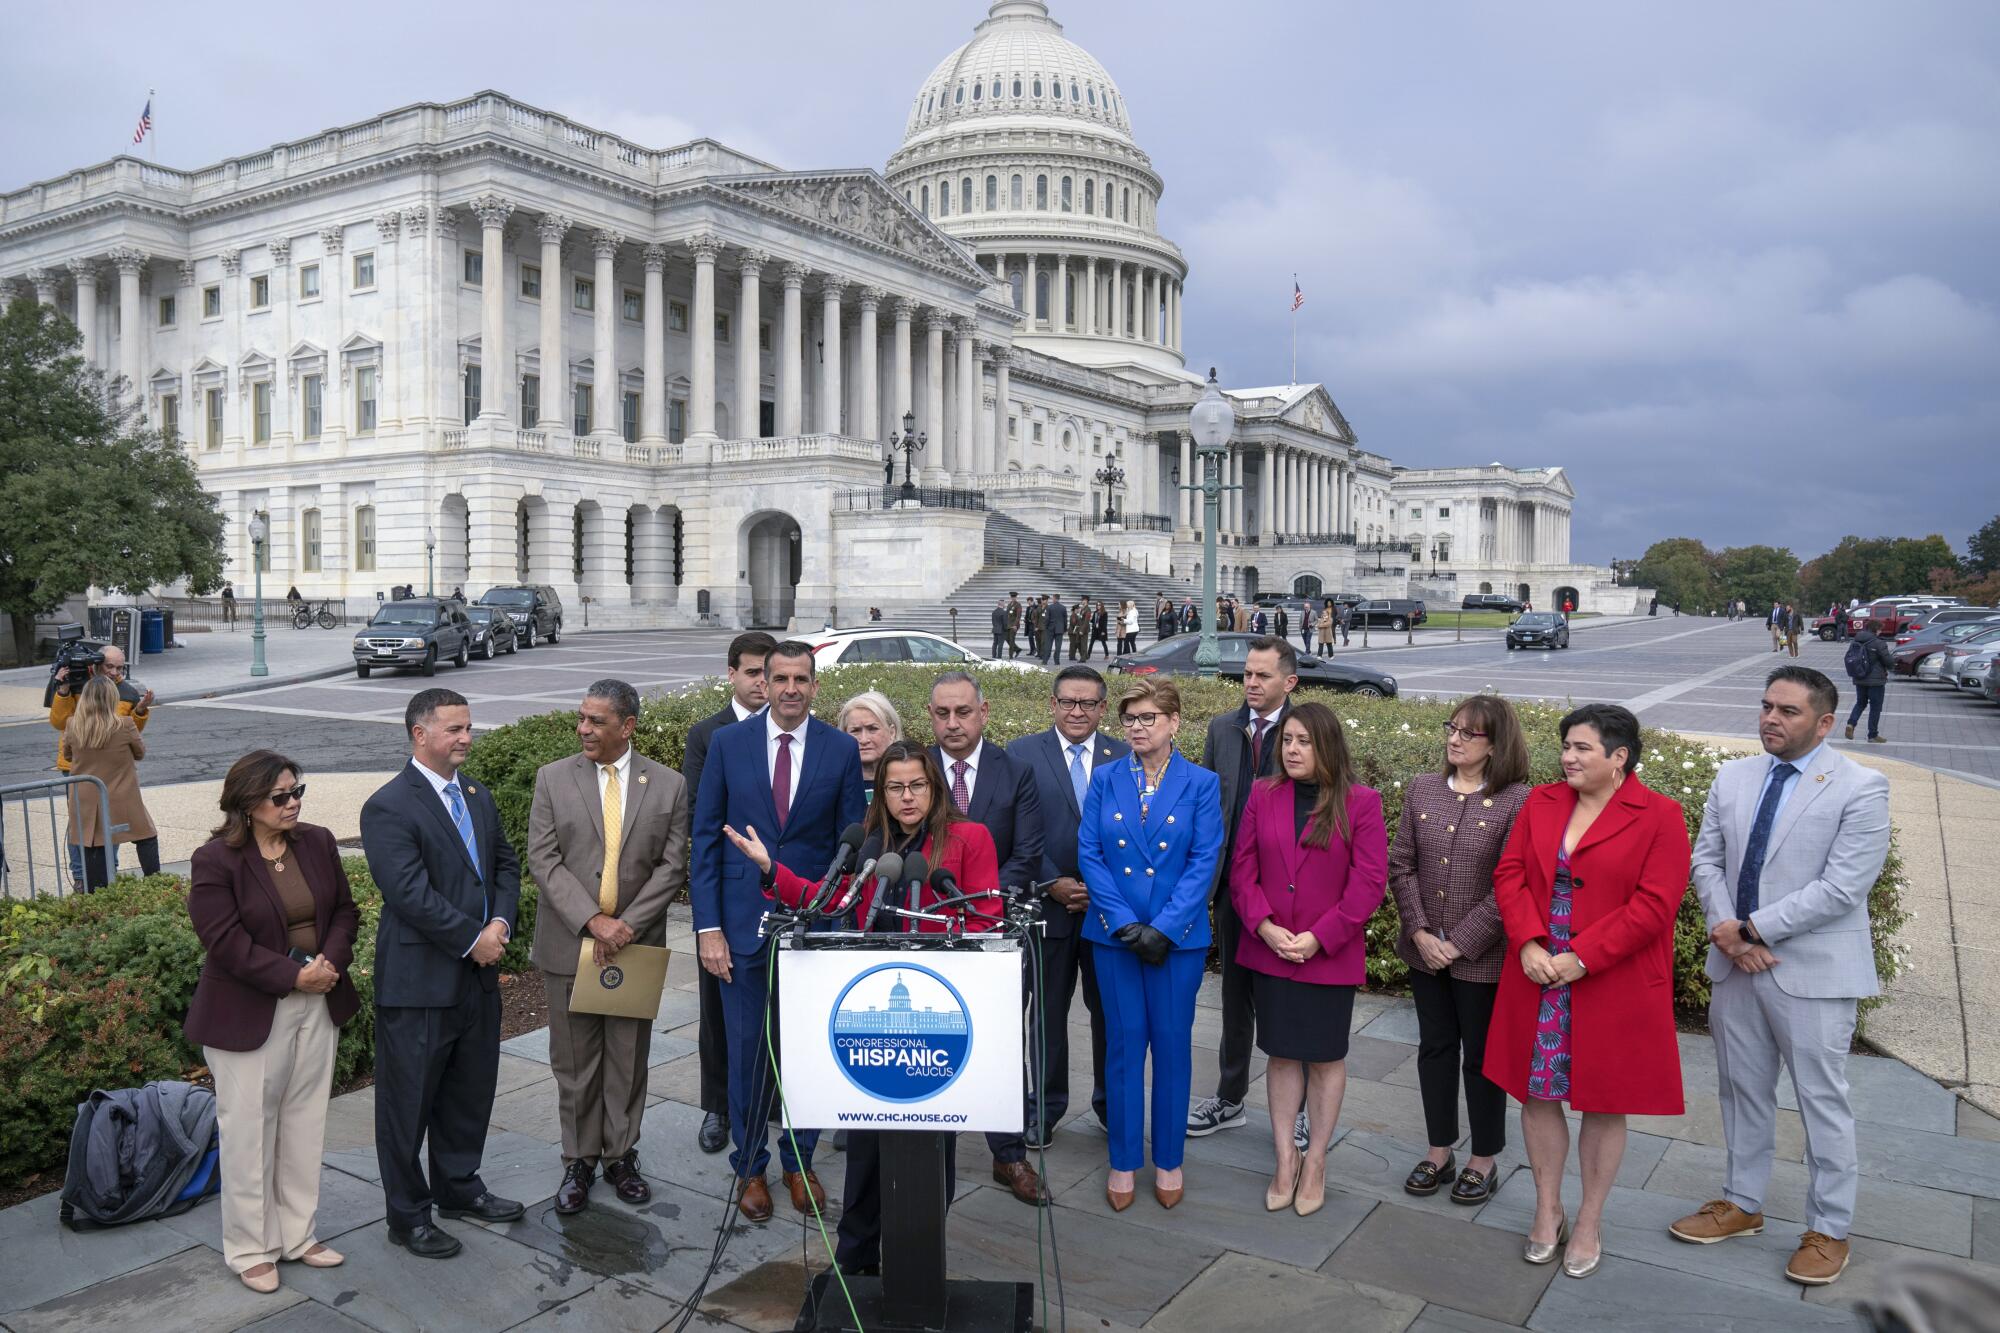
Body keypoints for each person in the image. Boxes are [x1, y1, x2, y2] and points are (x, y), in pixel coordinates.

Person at [724, 741, 999, 1275]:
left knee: (929, 1143)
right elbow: (833, 900)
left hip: (939, 1016)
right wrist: (771, 870)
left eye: (916, 784)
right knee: (868, 1143)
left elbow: (985, 919)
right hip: (878, 1012)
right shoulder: (875, 844)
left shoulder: (970, 838)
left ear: (934, 787)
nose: (906, 796)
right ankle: (855, 1257)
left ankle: (915, 1260)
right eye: (894, 787)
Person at [1673, 666, 1891, 1287]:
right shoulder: (1733, 776)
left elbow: (1843, 888)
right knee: (1741, 1090)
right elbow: (1707, 859)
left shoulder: (1860, 787)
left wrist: (1753, 930)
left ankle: (1830, 1229)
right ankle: (1741, 1203)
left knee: (1822, 1102)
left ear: (1823, 723)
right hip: (1737, 963)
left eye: (1788, 711)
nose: (1770, 718)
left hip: (1811, 971)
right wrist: (1728, 931)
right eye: (1766, 705)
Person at [1485, 703, 1692, 1279]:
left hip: (1611, 980)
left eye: (1581, 749)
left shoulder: (1661, 816)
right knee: (1538, 1093)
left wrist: (1584, 957)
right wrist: (1528, 940)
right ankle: (1547, 1210)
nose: (1567, 758)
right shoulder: (1541, 801)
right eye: (1566, 747)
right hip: (1538, 976)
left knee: (1604, 1100)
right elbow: (1509, 874)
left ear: (1619, 757)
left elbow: (1655, 905)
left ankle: (1591, 1219)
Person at [689, 641, 865, 1221]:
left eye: (802, 679)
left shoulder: (839, 750)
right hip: (741, 927)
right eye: (780, 677)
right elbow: (706, 840)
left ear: (816, 686)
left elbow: (848, 844)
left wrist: (834, 918)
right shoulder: (727, 744)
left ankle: (799, 1161)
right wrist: (708, 928)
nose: (791, 688)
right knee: (746, 1055)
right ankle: (751, 1167)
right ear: (762, 681)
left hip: (811, 927)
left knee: (808, 1054)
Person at [185, 751, 360, 1294]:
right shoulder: (216, 860)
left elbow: (346, 912)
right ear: (247, 804)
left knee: (304, 1122)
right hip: (250, 1012)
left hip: (320, 998)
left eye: (296, 791)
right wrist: (292, 976)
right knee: (249, 1131)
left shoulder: (319, 841)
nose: (294, 803)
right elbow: (224, 941)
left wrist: (328, 963)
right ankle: (249, 1248)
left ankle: (297, 1235)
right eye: (280, 796)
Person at [361, 688, 525, 1259]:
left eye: (468, 727)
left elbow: (504, 862)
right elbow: (408, 893)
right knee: (407, 1106)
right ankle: (408, 1216)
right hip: (420, 984)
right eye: (454, 729)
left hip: (476, 980)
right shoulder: (388, 805)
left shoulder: (475, 795)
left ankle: (458, 1187)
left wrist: (501, 922)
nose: (466, 738)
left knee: (467, 1091)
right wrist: (471, 939)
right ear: (419, 733)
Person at [527, 680, 690, 1215]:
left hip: (634, 948)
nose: (583, 729)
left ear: (628, 726)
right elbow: (543, 860)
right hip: (569, 943)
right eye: (581, 718)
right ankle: (579, 1160)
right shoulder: (553, 778)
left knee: (626, 1057)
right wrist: (594, 921)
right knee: (573, 1061)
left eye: (596, 721)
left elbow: (671, 867)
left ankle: (621, 1156)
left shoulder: (667, 785)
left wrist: (626, 926)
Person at [1230, 701, 1387, 1216]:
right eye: (1288, 740)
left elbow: (1368, 884)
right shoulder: (1261, 794)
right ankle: (1284, 1160)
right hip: (1270, 948)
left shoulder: (1360, 803)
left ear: (1327, 747)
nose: (1292, 750)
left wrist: (1320, 937)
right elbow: (1242, 870)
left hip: (1328, 955)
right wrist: (1267, 927)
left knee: (1323, 1056)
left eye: (1304, 741)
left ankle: (1315, 1160)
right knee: (1279, 1053)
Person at [1079, 678, 1224, 1210]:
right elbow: (1090, 853)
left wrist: (1162, 928)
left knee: (1171, 1047)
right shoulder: (1105, 778)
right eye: (1131, 719)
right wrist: (1123, 923)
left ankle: (1168, 1159)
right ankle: (1122, 1162)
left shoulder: (1201, 783)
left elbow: (1204, 859)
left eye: (1148, 718)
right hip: (1116, 939)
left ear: (1174, 722)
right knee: (1122, 1049)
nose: (1138, 728)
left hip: (1175, 941)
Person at [1389, 695, 1533, 1204]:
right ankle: (1439, 1150)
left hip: (1483, 960)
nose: (1454, 738)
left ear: (1495, 745)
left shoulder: (1518, 800)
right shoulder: (1424, 788)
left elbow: (1511, 885)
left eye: (1469, 733)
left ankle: (1484, 1158)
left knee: (1482, 1059)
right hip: (1424, 952)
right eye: (1453, 728)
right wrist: (1423, 933)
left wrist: (1461, 942)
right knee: (1435, 1049)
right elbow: (1402, 864)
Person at [928, 671, 1050, 1205]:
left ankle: (1009, 1154)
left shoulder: (1015, 771)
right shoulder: (913, 769)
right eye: (942, 714)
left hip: (992, 934)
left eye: (963, 712)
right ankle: (932, 1144)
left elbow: (1025, 855)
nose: (952, 723)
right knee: (931, 1038)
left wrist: (977, 912)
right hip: (924, 936)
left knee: (1001, 1042)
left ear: (984, 712)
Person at [1007, 665, 1127, 1140]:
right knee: (1047, 1016)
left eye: (1089, 703)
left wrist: (1100, 886)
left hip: (1107, 911)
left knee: (1111, 1016)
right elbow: (1014, 832)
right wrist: (1050, 881)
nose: (1078, 711)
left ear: (1102, 708)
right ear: (1052, 704)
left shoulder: (1124, 755)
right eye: (1068, 702)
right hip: (1046, 909)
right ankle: (1046, 1107)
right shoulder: (1021, 754)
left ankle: (1110, 1106)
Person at [1188, 637, 1297, 1138]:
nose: (1251, 683)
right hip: (1232, 889)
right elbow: (1208, 809)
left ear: (1288, 682)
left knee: (1287, 1002)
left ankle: (1297, 1110)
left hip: (1290, 895)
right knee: (1234, 999)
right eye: (1247, 674)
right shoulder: (1222, 729)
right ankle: (1230, 1097)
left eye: (1263, 676)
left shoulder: (1306, 731)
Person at [680, 631, 777, 1155]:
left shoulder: (796, 729)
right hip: (728, 893)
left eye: (772, 671)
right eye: (754, 672)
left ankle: (775, 1100)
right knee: (719, 1015)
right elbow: (702, 815)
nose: (764, 682)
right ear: (732, 674)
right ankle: (719, 1106)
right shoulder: (709, 734)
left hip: (784, 892)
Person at [49, 641, 151, 886]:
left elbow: (129, 733)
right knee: (81, 824)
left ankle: (108, 871)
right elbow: (61, 722)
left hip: (111, 768)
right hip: (77, 767)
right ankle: (81, 877)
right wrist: (63, 691)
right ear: (96, 664)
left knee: (110, 820)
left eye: (119, 668)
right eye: (109, 666)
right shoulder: (77, 684)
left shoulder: (126, 691)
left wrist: (139, 712)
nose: (114, 672)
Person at [62, 676, 161, 889]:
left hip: (86, 797)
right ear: (112, 699)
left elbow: (68, 756)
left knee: (92, 845)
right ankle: (155, 884)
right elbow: (140, 753)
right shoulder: (124, 724)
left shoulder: (73, 725)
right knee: (146, 836)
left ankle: (97, 895)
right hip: (121, 795)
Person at [838, 690, 904, 801]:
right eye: (855, 730)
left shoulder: (911, 781)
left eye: (873, 729)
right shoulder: (833, 786)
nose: (864, 740)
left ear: (892, 733)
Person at [1842, 624, 1893, 744]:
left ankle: (1851, 723)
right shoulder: (1878, 643)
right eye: (1880, 629)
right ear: (1876, 630)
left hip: (1859, 677)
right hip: (1876, 680)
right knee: (1875, 707)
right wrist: (1893, 665)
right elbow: (1888, 661)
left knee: (1860, 703)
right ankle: (1873, 735)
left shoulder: (1855, 641)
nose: (1881, 631)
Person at [1042, 594, 1067, 666]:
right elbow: (1065, 620)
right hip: (1059, 629)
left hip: (1050, 628)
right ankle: (1057, 661)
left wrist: (1046, 627)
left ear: (1054, 598)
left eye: (1053, 598)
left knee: (1048, 645)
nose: (1052, 599)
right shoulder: (1063, 608)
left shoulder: (1049, 607)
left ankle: (1045, 660)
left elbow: (1047, 619)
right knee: (1058, 646)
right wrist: (1065, 629)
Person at [1006, 591, 1023, 658]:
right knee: (1007, 638)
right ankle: (1017, 649)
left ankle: (1010, 656)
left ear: (1016, 597)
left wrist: (1015, 625)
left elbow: (1018, 616)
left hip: (1014, 625)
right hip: (1008, 625)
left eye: (1014, 597)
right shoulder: (1009, 604)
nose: (1013, 598)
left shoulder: (1018, 605)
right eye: (1012, 597)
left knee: (1012, 639)